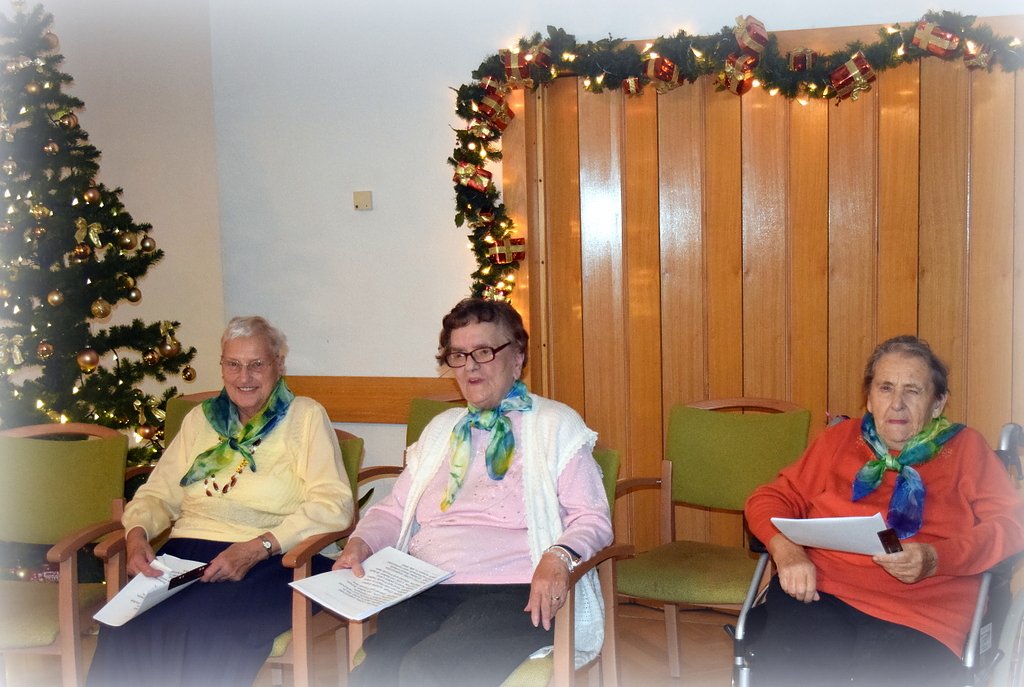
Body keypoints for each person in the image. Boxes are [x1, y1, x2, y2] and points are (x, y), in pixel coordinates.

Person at [334, 297, 613, 687]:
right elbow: (395, 510)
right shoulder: (440, 430)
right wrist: (360, 544)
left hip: (516, 592)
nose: (470, 366)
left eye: (484, 351)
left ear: (517, 358)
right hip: (426, 586)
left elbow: (592, 517)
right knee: (376, 672)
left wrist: (558, 556)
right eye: (459, 355)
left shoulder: (554, 424)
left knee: (427, 669)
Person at [86, 316, 353, 687]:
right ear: (222, 366)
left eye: (257, 364)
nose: (244, 377)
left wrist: (259, 547)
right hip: (186, 557)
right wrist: (136, 534)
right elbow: (157, 493)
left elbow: (334, 504)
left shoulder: (305, 417)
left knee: (202, 629)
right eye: (234, 364)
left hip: (276, 558)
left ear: (278, 365)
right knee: (122, 625)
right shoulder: (201, 419)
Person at [744, 335, 1024, 687]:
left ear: (938, 404)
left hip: (923, 614)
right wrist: (787, 552)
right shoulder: (839, 440)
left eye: (913, 391)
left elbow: (1012, 525)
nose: (897, 404)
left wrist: (936, 558)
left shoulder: (967, 451)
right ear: (869, 399)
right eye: (886, 388)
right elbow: (768, 498)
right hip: (820, 593)